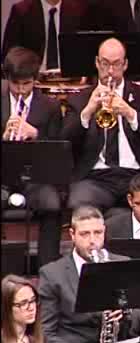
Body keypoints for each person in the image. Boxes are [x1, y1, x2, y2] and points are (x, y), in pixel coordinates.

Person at [38, 205, 140, 343]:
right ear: (72, 234)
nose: (92, 241)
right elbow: (45, 334)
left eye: (98, 233)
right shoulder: (53, 274)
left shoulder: (123, 265)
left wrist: (126, 312)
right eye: (85, 234)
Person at [60, 37, 140, 215]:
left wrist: (130, 113)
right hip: (95, 177)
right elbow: (65, 142)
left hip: (137, 176)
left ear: (125, 64)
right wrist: (88, 111)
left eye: (116, 64)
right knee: (79, 204)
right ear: (97, 63)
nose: (111, 71)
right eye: (105, 64)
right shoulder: (79, 99)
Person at [1, 46, 63, 267]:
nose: (20, 90)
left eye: (26, 84)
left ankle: (48, 268)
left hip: (35, 178)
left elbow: (58, 149)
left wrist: (36, 134)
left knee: (52, 203)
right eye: (15, 84)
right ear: (7, 78)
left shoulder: (50, 107)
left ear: (35, 80)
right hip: (3, 178)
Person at [2, 0, 93, 70]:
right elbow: (10, 52)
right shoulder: (21, 11)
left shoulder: (80, 9)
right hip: (33, 78)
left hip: (69, 79)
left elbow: (87, 50)